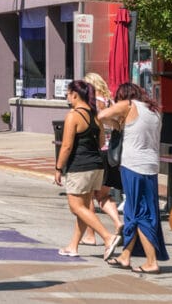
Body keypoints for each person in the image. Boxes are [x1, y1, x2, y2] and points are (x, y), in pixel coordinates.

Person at [98, 82, 168, 272]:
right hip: (151, 166)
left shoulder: (128, 105)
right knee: (136, 210)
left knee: (138, 213)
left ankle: (151, 262)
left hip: (133, 166)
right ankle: (125, 256)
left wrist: (115, 122)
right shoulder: (153, 111)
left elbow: (102, 115)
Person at [54, 80, 120, 260]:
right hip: (97, 165)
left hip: (80, 166)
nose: (67, 97)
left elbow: (66, 146)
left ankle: (108, 236)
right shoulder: (94, 115)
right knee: (83, 208)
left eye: (68, 94)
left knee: (76, 207)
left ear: (75, 95)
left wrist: (58, 168)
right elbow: (101, 142)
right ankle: (73, 246)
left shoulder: (73, 116)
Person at [80, 72, 123, 246]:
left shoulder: (92, 104)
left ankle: (90, 235)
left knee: (88, 196)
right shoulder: (111, 102)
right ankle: (118, 222)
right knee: (104, 195)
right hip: (111, 154)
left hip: (97, 152)